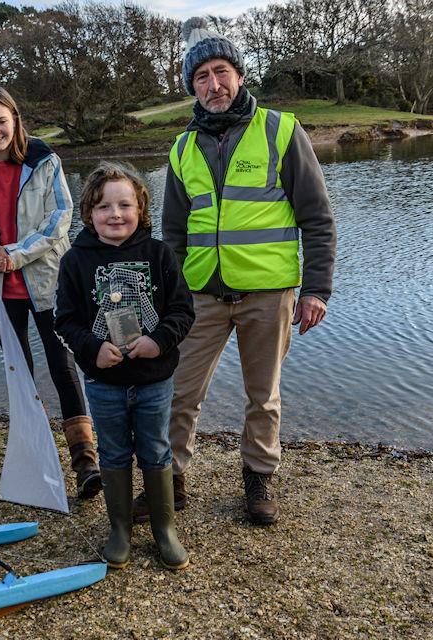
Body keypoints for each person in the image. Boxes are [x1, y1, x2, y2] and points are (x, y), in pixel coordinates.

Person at [143, 18, 337, 526]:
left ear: (239, 74)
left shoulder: (280, 130)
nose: (214, 84)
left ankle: (257, 479)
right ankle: (171, 481)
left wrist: (317, 289)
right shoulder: (182, 149)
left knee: (263, 393)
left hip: (268, 293)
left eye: (221, 71)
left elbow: (317, 216)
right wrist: (171, 297)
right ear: (192, 86)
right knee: (178, 390)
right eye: (202, 76)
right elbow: (173, 234)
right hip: (201, 294)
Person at [0, 85, 101, 499]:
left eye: (2, 120)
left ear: (16, 119)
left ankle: (85, 460)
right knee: (19, 372)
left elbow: (61, 219)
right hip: (0, 289)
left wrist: (14, 255)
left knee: (63, 366)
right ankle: (35, 456)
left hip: (48, 283)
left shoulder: (45, 162)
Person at [55, 161, 195, 570]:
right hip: (103, 382)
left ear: (141, 208)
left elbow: (182, 313)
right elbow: (64, 320)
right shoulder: (75, 262)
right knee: (114, 452)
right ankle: (119, 528)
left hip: (154, 379)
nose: (115, 214)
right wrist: (92, 347)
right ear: (89, 214)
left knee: (155, 449)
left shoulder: (159, 253)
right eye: (103, 207)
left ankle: (163, 528)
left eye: (125, 205)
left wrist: (158, 340)